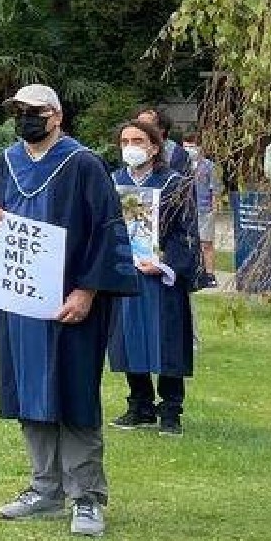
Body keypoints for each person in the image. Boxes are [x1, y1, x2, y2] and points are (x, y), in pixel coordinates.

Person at [0, 85, 137, 537]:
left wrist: (86, 291)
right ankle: (44, 490)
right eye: (19, 111)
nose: (26, 118)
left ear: (57, 116)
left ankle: (86, 497)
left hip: (70, 302)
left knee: (75, 392)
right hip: (20, 303)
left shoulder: (83, 164)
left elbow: (107, 232)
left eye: (35, 111)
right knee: (30, 391)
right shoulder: (3, 163)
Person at [108, 119, 200, 436]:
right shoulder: (113, 181)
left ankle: (171, 411)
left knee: (167, 340)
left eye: (138, 140)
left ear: (155, 146)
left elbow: (187, 232)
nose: (131, 147)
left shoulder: (175, 183)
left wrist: (164, 265)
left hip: (161, 275)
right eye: (125, 141)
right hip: (126, 273)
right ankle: (140, 405)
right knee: (130, 337)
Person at [189, 137, 219, 287]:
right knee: (191, 243)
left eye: (192, 146)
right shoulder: (184, 166)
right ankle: (195, 272)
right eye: (186, 146)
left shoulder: (209, 166)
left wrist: (213, 209)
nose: (190, 149)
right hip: (189, 210)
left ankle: (210, 274)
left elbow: (215, 189)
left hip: (204, 209)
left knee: (206, 243)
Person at [134, 107, 191, 175]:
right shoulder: (131, 148)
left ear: (161, 129)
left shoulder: (176, 155)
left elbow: (180, 183)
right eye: (137, 125)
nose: (139, 130)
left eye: (146, 126)